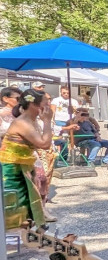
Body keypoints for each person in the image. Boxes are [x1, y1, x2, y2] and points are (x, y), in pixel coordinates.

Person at [0, 89, 53, 228]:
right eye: (46, 102)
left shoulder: (32, 120)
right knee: (13, 200)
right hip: (11, 168)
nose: (49, 105)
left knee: (27, 199)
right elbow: (44, 144)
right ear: (34, 105)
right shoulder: (22, 122)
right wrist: (47, 121)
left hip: (23, 164)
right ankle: (9, 234)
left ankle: (24, 231)